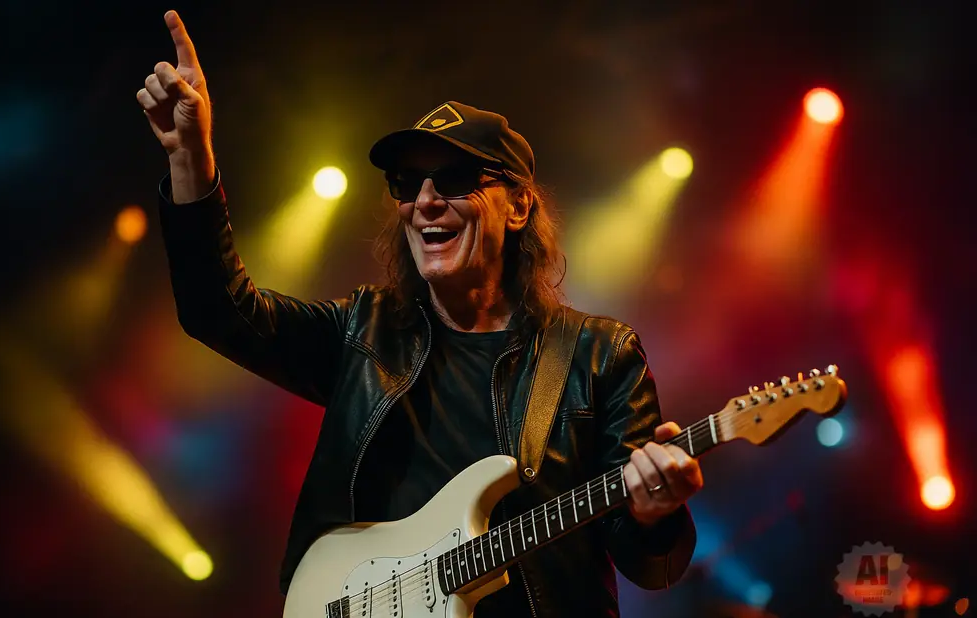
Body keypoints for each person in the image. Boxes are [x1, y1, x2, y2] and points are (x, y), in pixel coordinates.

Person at [139, 10, 702, 617]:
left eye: (455, 178)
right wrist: (191, 162)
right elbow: (217, 312)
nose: (426, 200)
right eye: (407, 183)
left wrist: (654, 513)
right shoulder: (363, 331)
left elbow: (651, 565)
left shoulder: (600, 357)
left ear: (517, 207)